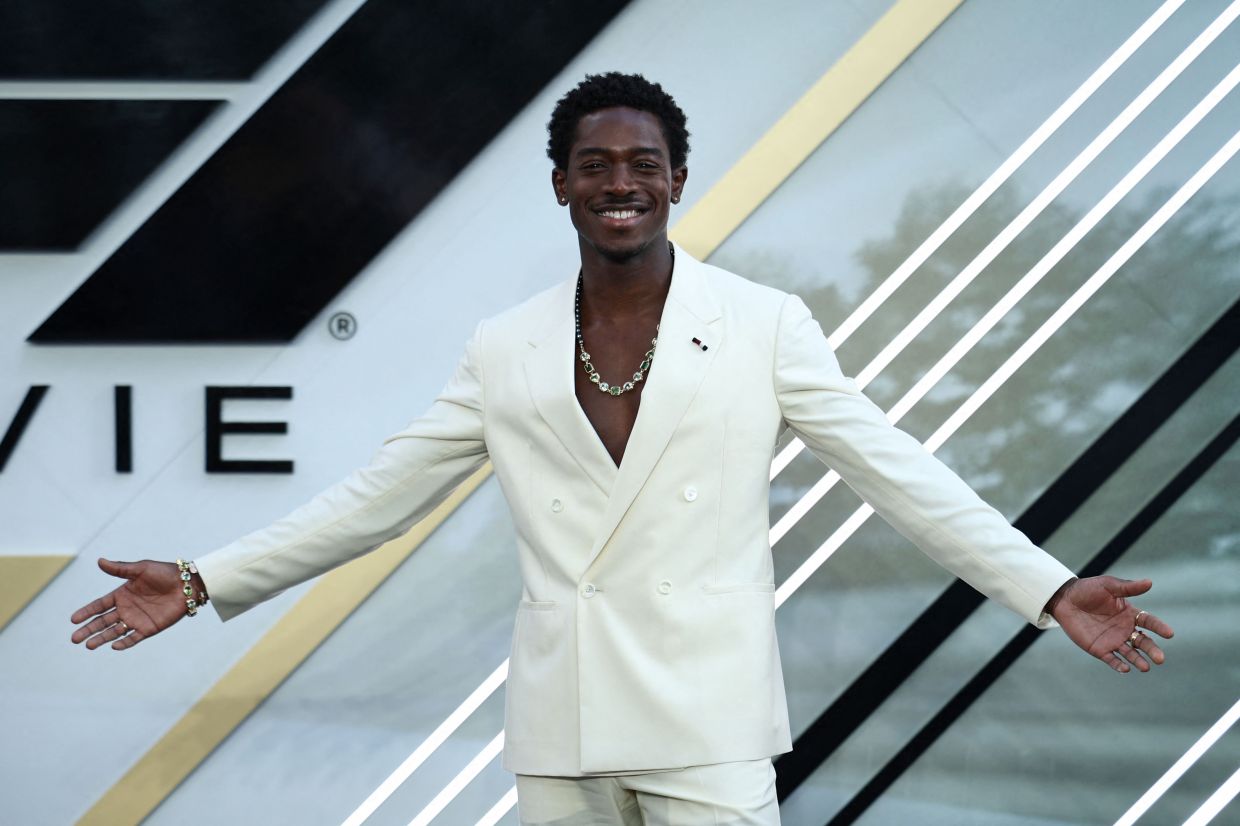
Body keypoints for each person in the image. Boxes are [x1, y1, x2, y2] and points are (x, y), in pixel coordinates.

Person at [71, 72, 1173, 825]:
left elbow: (899, 475)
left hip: (708, 726)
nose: (618, 183)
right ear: (560, 183)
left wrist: (1046, 588)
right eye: (593, 164)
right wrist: (210, 578)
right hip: (564, 734)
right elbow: (378, 499)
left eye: (642, 162)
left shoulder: (763, 323)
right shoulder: (503, 348)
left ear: (675, 178)